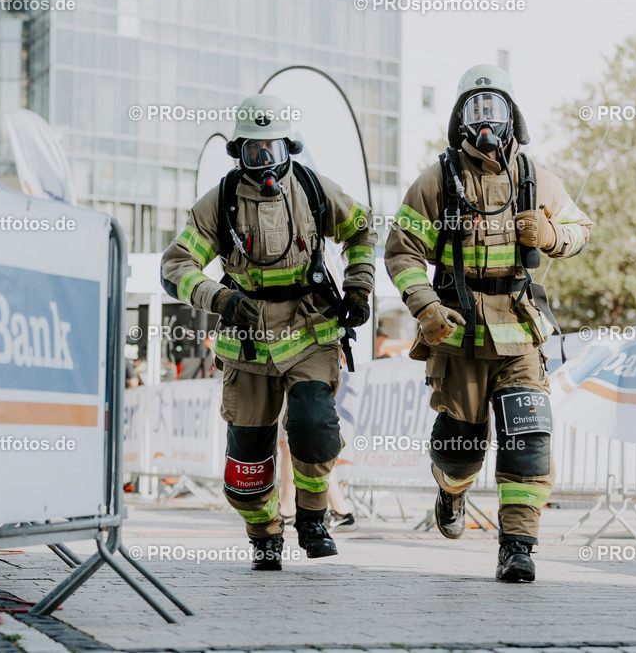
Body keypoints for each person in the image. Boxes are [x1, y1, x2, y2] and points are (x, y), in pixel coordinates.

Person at [385, 65, 592, 581]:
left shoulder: (535, 177)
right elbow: (402, 250)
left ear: (510, 116)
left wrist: (549, 233)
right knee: (461, 444)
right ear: (460, 117)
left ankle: (518, 547)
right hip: (457, 330)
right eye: (475, 109)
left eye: (493, 109)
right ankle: (451, 491)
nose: (484, 121)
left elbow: (580, 229)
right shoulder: (435, 181)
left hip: (520, 329)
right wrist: (425, 306)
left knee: (529, 437)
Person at [161, 93, 376, 570]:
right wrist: (220, 298)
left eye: (273, 151)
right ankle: (264, 534)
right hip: (248, 342)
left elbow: (362, 228)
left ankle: (314, 519)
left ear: (288, 149)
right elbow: (175, 266)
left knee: (314, 426)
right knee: (249, 460)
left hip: (310, 329)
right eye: (254, 153)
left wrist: (359, 289)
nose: (265, 164)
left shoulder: (314, 190)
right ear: (239, 153)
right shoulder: (218, 203)